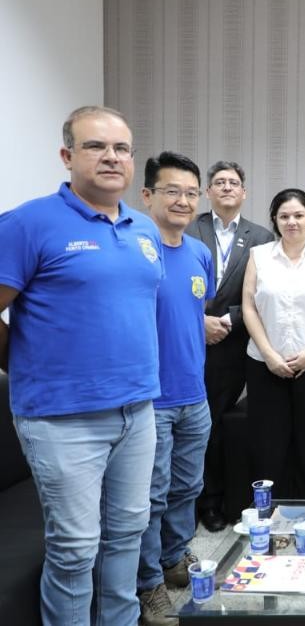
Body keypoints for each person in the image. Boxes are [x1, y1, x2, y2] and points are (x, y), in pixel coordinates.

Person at [0, 106, 161, 625]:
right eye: (96, 146)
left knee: (128, 534)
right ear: (67, 155)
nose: (112, 157)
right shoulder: (27, 224)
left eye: (122, 148)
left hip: (137, 413)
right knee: (74, 550)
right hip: (61, 419)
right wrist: (20, 360)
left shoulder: (144, 229)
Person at [136, 152, 215, 626]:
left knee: (188, 487)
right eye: (172, 191)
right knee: (151, 496)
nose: (183, 201)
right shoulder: (134, 249)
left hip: (194, 394)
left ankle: (173, 556)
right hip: (150, 399)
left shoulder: (199, 252)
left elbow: (190, 313)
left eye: (191, 193)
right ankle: (148, 586)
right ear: (147, 195)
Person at [186, 161, 274, 532]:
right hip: (185, 340)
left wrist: (226, 321)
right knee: (185, 425)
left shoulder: (261, 237)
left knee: (215, 424)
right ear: (208, 192)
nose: (226, 187)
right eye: (219, 182)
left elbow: (265, 292)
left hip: (231, 344)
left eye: (233, 182)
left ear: (243, 192)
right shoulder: (188, 228)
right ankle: (184, 502)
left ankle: (212, 501)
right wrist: (199, 322)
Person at [241, 188, 305, 499]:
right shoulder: (259, 256)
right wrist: (269, 354)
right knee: (268, 444)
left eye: (299, 215)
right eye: (284, 216)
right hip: (265, 365)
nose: (292, 222)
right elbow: (249, 307)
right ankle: (269, 512)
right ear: (275, 220)